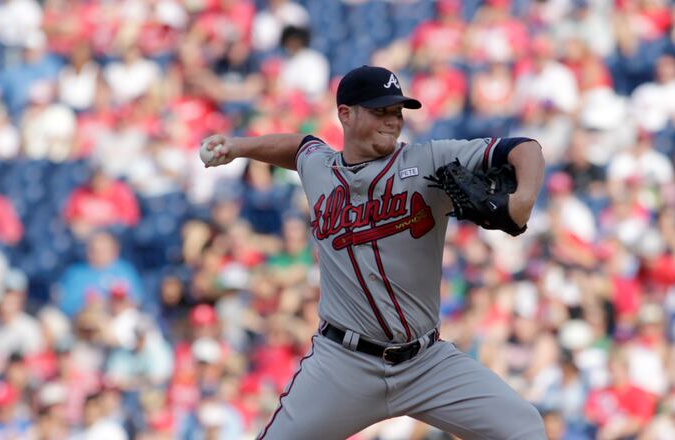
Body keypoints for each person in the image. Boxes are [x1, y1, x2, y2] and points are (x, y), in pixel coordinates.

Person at [201, 65, 546, 439]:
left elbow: (524, 148)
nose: (392, 121)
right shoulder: (320, 168)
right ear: (345, 114)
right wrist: (238, 147)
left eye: (397, 112)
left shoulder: (430, 160)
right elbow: (299, 147)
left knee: (523, 429)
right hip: (342, 364)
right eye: (380, 111)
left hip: (426, 362)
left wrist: (522, 201)